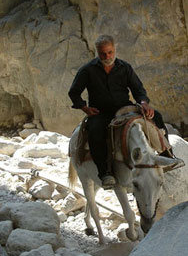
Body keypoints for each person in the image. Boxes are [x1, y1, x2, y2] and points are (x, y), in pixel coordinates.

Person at [68, 34, 168, 188]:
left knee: (157, 117)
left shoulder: (125, 67)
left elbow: (138, 89)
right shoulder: (88, 70)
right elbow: (73, 92)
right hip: (100, 112)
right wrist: (84, 107)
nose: (107, 56)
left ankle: (166, 154)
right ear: (97, 52)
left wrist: (143, 103)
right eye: (103, 54)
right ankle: (105, 172)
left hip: (125, 109)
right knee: (95, 131)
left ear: (114, 50)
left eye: (110, 52)